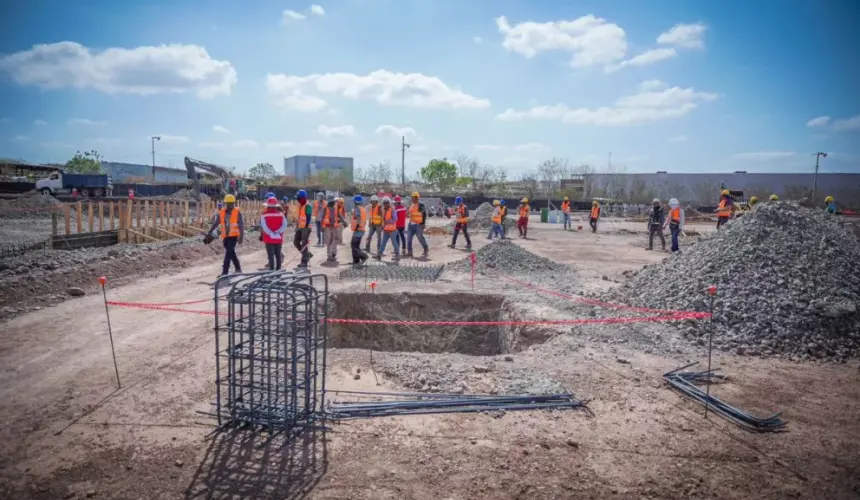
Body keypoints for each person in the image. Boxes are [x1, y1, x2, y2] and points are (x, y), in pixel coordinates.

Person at [208, 194, 244, 279]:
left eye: (231, 203)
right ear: (225, 203)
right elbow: (216, 223)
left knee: (228, 254)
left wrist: (241, 237)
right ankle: (238, 268)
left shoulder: (237, 212)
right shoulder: (222, 212)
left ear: (234, 203)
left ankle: (225, 273)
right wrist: (209, 232)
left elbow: (241, 225)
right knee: (231, 253)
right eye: (228, 203)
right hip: (225, 237)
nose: (230, 205)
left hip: (233, 236)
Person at [260, 197, 288, 270]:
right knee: (278, 255)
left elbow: (264, 226)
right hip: (278, 238)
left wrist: (270, 233)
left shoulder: (264, 214)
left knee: (271, 256)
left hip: (269, 238)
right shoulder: (281, 214)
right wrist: (278, 232)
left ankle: (271, 270)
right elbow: (284, 225)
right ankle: (278, 270)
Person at [321, 194, 345, 263]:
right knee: (328, 242)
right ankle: (329, 256)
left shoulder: (336, 208)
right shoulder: (325, 208)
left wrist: (344, 222)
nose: (334, 202)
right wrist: (322, 227)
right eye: (333, 201)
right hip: (327, 227)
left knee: (334, 241)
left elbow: (339, 216)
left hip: (334, 227)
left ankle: (333, 255)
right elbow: (322, 217)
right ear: (330, 202)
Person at [294, 189, 314, 269]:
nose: (298, 199)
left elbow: (308, 217)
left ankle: (304, 262)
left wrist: (305, 227)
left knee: (304, 244)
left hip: (306, 228)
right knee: (296, 242)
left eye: (299, 198)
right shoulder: (301, 206)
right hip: (300, 227)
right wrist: (297, 226)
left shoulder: (308, 206)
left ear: (303, 198)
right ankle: (307, 255)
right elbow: (300, 217)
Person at [375, 197, 400, 261]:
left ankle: (397, 255)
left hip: (392, 230)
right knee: (383, 243)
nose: (385, 204)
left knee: (394, 243)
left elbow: (395, 219)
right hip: (386, 230)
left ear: (389, 203)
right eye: (384, 203)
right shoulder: (384, 210)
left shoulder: (392, 209)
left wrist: (387, 221)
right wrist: (382, 226)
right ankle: (379, 254)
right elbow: (383, 219)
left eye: (386, 203)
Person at [406, 191, 429, 258]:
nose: (413, 199)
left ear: (417, 198)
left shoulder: (421, 205)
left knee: (420, 238)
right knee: (409, 239)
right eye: (412, 197)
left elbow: (424, 214)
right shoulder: (411, 205)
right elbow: (409, 213)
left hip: (418, 225)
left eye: (414, 198)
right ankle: (410, 252)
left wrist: (423, 223)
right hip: (411, 225)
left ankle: (425, 248)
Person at [350, 195, 369, 265]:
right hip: (361, 229)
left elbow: (358, 218)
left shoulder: (357, 208)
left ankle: (364, 256)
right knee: (356, 246)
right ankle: (356, 261)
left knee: (354, 246)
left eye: (354, 201)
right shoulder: (363, 209)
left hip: (358, 229)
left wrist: (357, 226)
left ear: (356, 201)